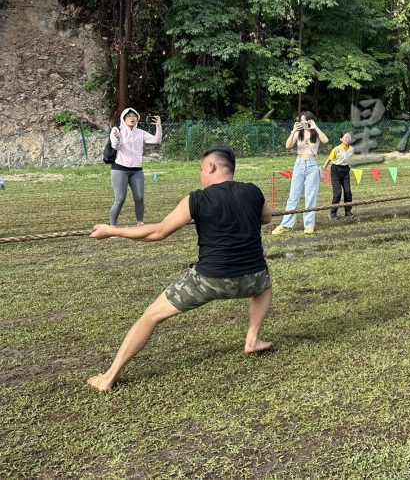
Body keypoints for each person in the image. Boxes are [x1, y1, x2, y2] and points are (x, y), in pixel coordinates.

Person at [87, 147, 273, 392]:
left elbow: (158, 232)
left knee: (150, 316)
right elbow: (267, 218)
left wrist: (112, 231)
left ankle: (108, 377)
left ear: (211, 167)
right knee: (266, 287)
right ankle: (252, 338)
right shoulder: (253, 191)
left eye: (201, 170)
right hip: (254, 278)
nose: (201, 176)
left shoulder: (197, 199)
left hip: (209, 280)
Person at [272, 111, 329, 235]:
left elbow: (326, 140)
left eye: (305, 121)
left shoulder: (315, 133)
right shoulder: (299, 133)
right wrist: (294, 131)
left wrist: (316, 127)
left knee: (310, 196)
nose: (302, 123)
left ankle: (309, 225)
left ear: (310, 121)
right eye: (300, 120)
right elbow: (288, 145)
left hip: (312, 165)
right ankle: (286, 225)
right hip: (299, 164)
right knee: (293, 196)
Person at [109, 107, 162, 226]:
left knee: (139, 197)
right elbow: (115, 146)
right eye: (129, 116)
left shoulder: (140, 133)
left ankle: (140, 223)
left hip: (136, 169)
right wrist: (117, 139)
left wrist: (158, 126)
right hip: (120, 169)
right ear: (123, 118)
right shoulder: (117, 130)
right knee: (120, 199)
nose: (132, 118)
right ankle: (112, 226)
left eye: (134, 116)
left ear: (137, 118)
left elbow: (156, 140)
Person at [323, 132, 355, 220]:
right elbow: (329, 159)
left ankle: (348, 212)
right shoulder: (336, 149)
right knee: (337, 193)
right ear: (341, 139)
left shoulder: (352, 149)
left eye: (348, 137)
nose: (347, 139)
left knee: (348, 192)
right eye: (345, 137)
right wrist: (323, 169)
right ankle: (333, 213)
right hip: (336, 171)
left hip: (345, 171)